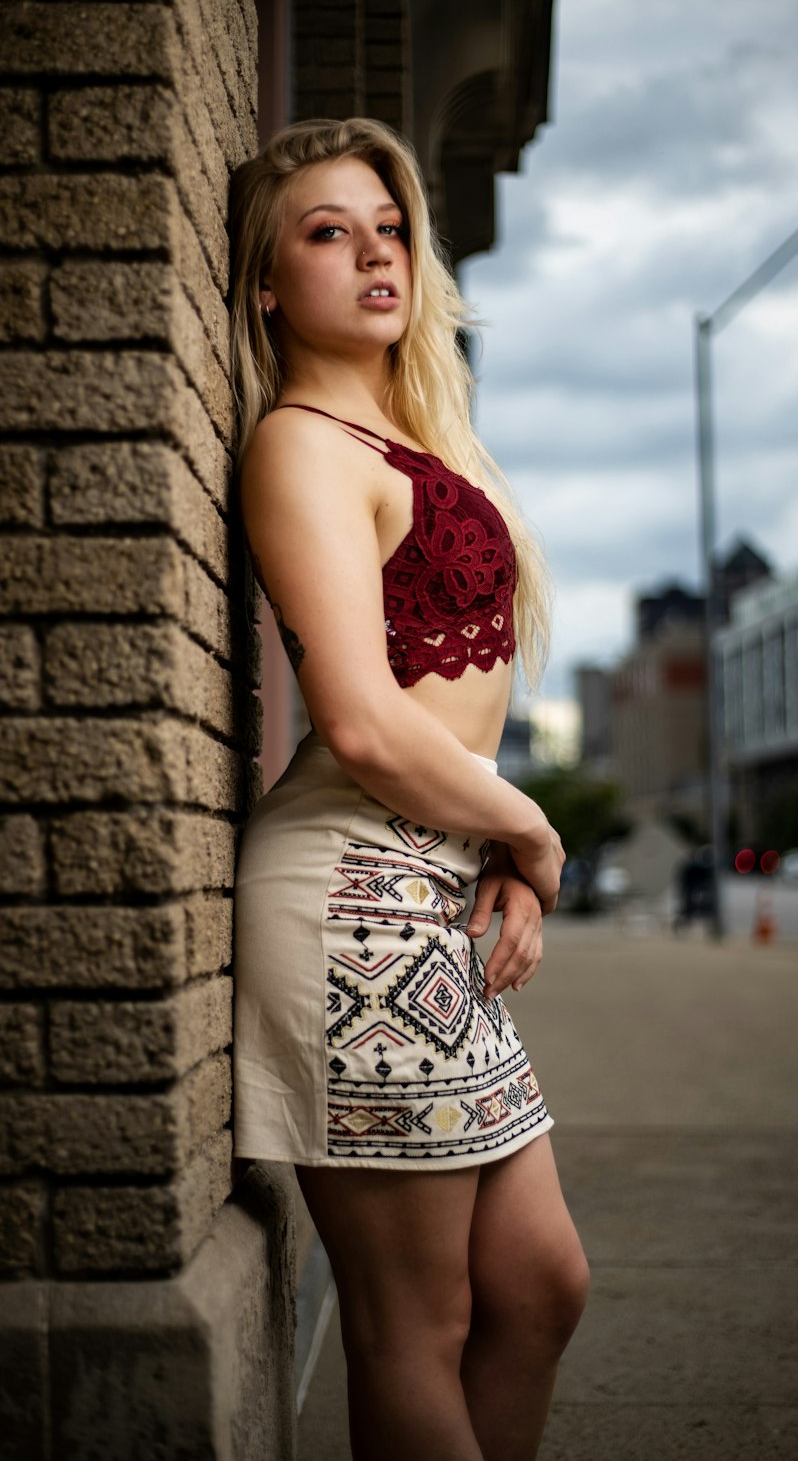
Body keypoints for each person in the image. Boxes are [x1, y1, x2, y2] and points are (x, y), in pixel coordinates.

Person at [228, 117, 589, 1461]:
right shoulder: (300, 446)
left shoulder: (410, 439)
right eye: (328, 233)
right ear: (268, 283)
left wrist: (497, 856)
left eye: (388, 229)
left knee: (541, 1285)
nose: (376, 253)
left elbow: (448, 725)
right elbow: (368, 726)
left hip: (436, 892)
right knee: (413, 1321)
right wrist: (534, 828)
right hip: (351, 907)